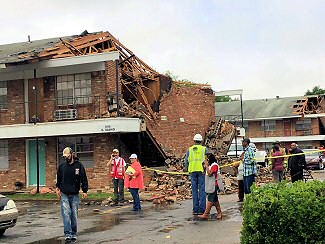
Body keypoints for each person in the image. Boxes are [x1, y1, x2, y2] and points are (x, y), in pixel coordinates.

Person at [56, 147, 88, 242]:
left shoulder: (79, 166)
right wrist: (57, 188)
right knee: (66, 214)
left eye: (68, 156)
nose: (66, 158)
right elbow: (59, 178)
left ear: (72, 154)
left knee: (74, 214)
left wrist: (85, 190)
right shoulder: (62, 166)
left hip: (75, 194)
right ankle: (68, 234)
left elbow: (84, 178)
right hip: (64, 193)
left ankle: (73, 233)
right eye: (65, 156)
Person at [184, 134, 209, 215]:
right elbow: (209, 159)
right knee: (202, 190)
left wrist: (188, 170)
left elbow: (186, 162)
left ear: (194, 141)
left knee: (194, 191)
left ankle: (195, 209)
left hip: (193, 172)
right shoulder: (204, 149)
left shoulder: (190, 150)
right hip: (201, 171)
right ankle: (202, 209)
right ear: (201, 141)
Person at [198, 153, 222, 220]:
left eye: (207, 159)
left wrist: (206, 165)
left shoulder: (214, 165)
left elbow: (210, 174)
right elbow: (205, 173)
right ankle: (219, 212)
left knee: (210, 198)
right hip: (210, 184)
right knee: (215, 199)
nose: (206, 160)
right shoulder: (210, 166)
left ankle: (206, 214)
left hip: (214, 184)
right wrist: (205, 167)